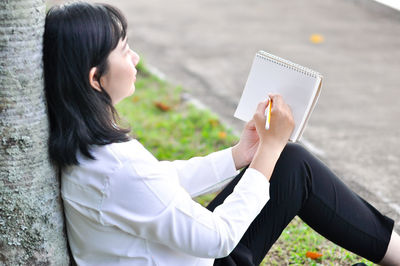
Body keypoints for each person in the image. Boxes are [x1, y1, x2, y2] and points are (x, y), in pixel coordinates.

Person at [43, 2, 400, 265]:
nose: (135, 58)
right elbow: (220, 238)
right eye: (123, 51)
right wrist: (267, 152)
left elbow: (158, 182)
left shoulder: (86, 148)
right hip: (210, 257)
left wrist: (240, 155)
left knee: (291, 161)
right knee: (285, 158)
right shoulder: (117, 165)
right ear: (95, 78)